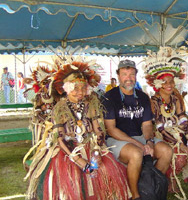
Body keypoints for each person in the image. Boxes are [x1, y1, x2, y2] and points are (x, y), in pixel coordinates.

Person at [24, 60, 129, 200]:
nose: (80, 93)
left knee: (104, 170)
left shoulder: (90, 105)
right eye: (75, 88)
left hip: (90, 146)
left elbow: (99, 130)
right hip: (67, 151)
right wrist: (78, 160)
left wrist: (97, 151)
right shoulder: (59, 108)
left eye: (83, 88)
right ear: (67, 88)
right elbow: (60, 139)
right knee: (70, 177)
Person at [144, 47, 188, 196]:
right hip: (161, 136)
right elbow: (159, 127)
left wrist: (187, 139)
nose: (169, 84)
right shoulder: (154, 101)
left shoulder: (176, 99)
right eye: (165, 82)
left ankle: (173, 177)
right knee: (180, 155)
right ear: (158, 84)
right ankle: (168, 180)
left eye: (171, 81)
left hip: (179, 134)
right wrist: (179, 143)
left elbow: (183, 119)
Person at [103, 59, 173, 200]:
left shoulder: (142, 97)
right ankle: (136, 196)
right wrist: (139, 145)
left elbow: (147, 125)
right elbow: (111, 129)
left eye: (132, 74)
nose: (128, 78)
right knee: (136, 153)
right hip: (116, 139)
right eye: (124, 74)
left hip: (139, 136)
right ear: (118, 76)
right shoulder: (109, 97)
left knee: (167, 151)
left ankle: (150, 187)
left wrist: (149, 141)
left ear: (136, 75)